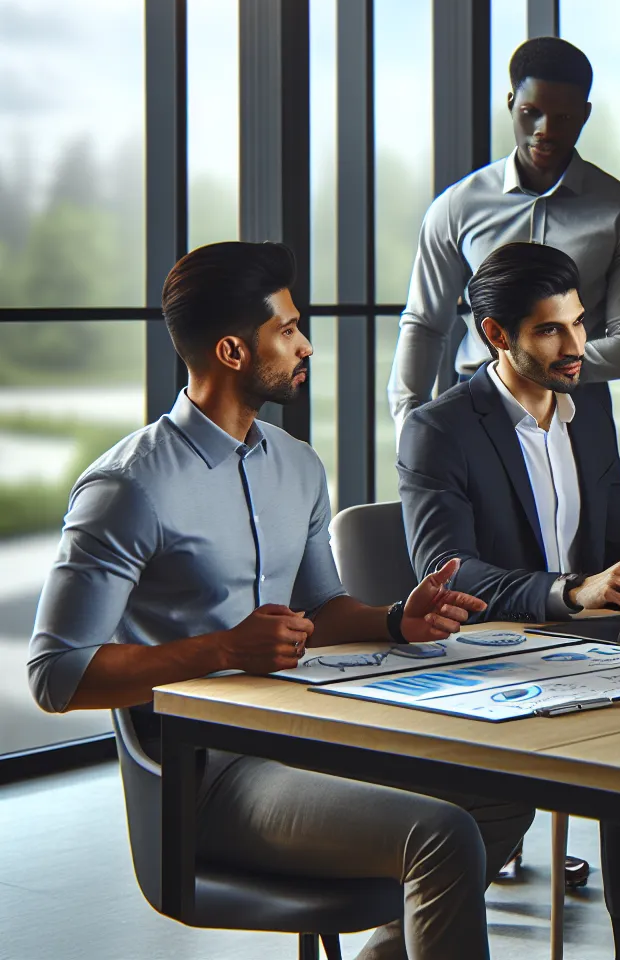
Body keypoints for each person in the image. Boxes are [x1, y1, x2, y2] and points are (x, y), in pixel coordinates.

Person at [27, 242, 530, 960]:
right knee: (440, 833)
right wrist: (223, 650)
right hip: (206, 779)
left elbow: (321, 613)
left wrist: (395, 619)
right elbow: (55, 676)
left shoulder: (297, 464)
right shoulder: (127, 489)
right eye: (288, 329)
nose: (307, 345)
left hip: (312, 735)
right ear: (233, 350)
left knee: (506, 793)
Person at [397, 241, 620, 960]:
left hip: (587, 648)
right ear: (496, 334)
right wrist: (571, 592)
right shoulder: (437, 430)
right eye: (551, 329)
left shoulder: (591, 409)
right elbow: (447, 573)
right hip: (493, 658)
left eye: (579, 323)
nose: (577, 345)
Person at [388, 36, 620, 438]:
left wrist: (533, 361)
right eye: (531, 113)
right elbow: (426, 323)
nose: (544, 131)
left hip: (580, 408)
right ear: (512, 102)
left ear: (584, 115)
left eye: (563, 118)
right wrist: (410, 423)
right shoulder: (457, 206)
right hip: (476, 405)